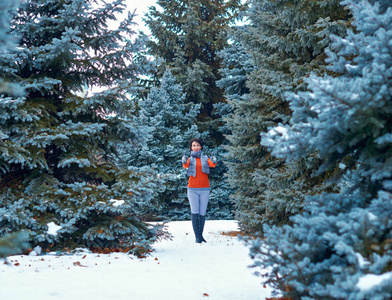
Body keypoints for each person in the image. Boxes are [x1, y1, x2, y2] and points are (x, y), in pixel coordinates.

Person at [182, 138, 217, 243]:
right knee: (195, 211)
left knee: (202, 212)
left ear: (201, 146)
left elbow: (212, 164)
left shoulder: (205, 158)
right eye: (193, 145)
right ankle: (197, 237)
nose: (195, 147)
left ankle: (201, 235)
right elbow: (185, 165)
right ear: (191, 147)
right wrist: (183, 160)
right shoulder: (189, 159)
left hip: (205, 189)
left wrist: (214, 159)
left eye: (197, 145)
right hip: (192, 189)